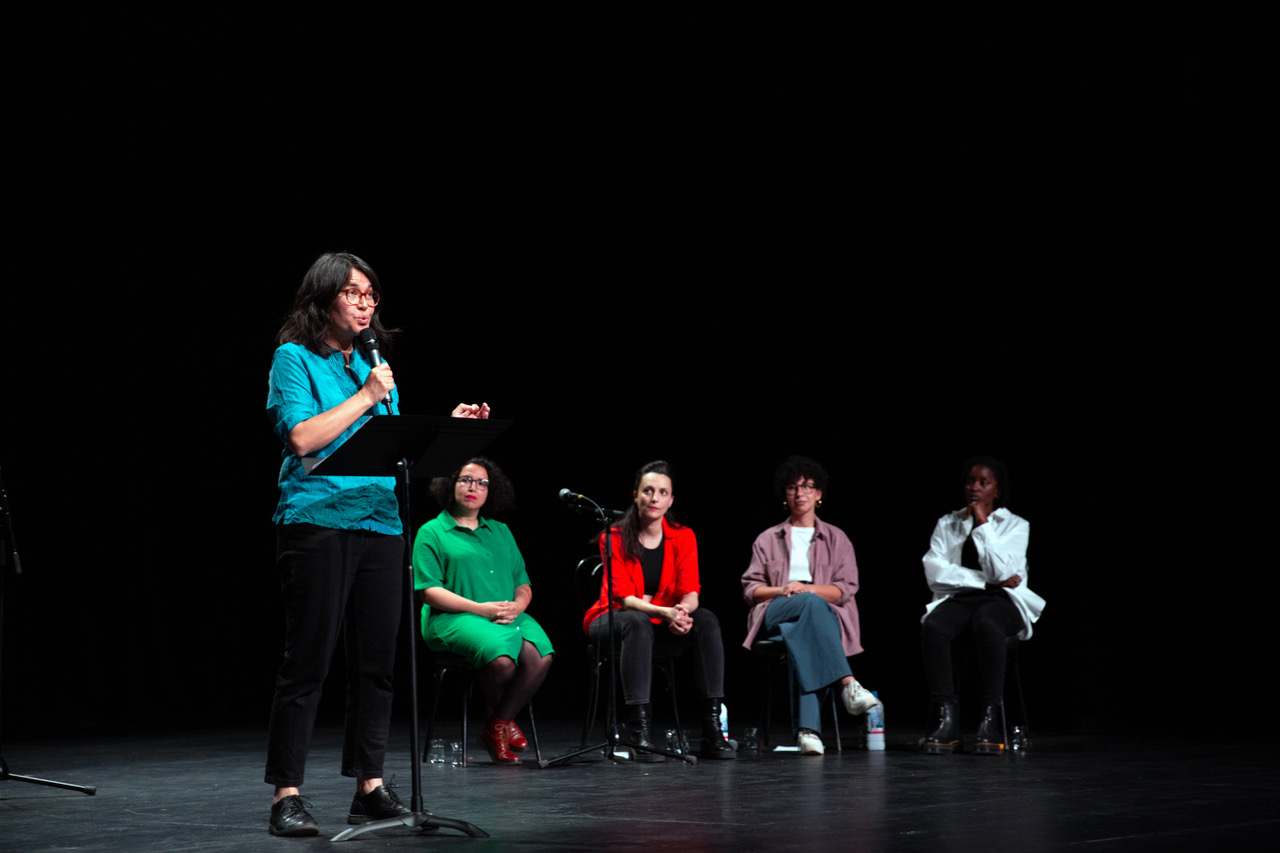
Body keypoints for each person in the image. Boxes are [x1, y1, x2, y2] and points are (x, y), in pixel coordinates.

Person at [264, 251, 490, 837]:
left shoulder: (374, 364)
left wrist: (448, 429)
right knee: (308, 661)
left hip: (382, 524)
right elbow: (302, 438)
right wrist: (367, 396)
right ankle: (287, 795)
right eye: (353, 293)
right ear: (323, 300)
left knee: (376, 667)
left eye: (371, 295)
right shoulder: (293, 359)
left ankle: (368, 786)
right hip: (318, 521)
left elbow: (392, 450)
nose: (365, 304)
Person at [582, 460, 736, 761]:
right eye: (648, 491)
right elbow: (625, 599)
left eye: (662, 492)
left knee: (705, 620)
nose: (654, 498)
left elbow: (691, 592)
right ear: (635, 496)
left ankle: (712, 729)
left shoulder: (684, 536)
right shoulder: (613, 536)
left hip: (657, 620)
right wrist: (666, 613)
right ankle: (639, 733)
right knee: (637, 622)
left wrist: (682, 613)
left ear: (671, 500)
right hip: (610, 619)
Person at [413, 457, 554, 765]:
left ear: (492, 490)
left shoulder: (501, 531)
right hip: (453, 618)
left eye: (482, 483)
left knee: (541, 655)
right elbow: (428, 591)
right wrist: (481, 609)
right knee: (500, 660)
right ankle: (501, 724)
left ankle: (498, 723)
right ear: (451, 485)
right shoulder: (433, 531)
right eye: (465, 480)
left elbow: (522, 582)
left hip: (504, 614)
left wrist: (518, 606)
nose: (473, 487)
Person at [740, 456, 879, 755]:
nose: (800, 493)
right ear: (785, 494)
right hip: (776, 610)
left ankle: (808, 733)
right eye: (793, 487)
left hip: (818, 617)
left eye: (807, 487)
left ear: (819, 494)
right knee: (811, 610)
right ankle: (848, 684)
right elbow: (751, 590)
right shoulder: (767, 539)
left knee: (805, 630)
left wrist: (808, 590)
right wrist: (784, 589)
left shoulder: (837, 539)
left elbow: (845, 588)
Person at [920, 456, 1045, 755]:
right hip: (962, 598)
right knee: (934, 625)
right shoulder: (947, 523)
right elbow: (935, 573)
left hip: (1005, 601)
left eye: (983, 482)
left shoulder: (1016, 525)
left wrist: (983, 524)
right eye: (970, 481)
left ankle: (991, 718)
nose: (974, 487)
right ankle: (947, 719)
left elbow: (1005, 572)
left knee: (987, 622)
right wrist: (986, 582)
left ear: (996, 490)